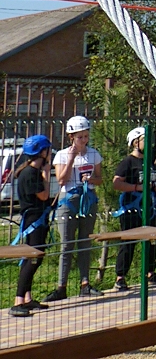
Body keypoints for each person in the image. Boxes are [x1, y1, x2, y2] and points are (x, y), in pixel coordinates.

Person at [45, 115, 102, 301]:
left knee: (84, 242)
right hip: (68, 201)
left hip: (88, 199)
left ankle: (85, 283)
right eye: (80, 137)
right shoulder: (61, 155)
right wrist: (71, 158)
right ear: (71, 137)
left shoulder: (93, 154)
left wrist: (91, 180)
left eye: (86, 136)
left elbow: (100, 179)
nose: (84, 140)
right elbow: (61, 179)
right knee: (67, 245)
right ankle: (62, 286)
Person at [111, 127, 156, 291]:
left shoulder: (148, 161)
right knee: (128, 243)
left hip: (149, 208)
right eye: (145, 140)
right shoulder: (127, 162)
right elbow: (116, 183)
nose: (149, 144)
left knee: (152, 240)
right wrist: (137, 187)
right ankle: (120, 277)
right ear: (135, 142)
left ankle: (150, 271)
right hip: (132, 208)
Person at [10, 135, 53, 317]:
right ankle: (18, 300)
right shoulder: (32, 174)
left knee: (35, 257)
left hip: (36, 219)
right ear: (43, 153)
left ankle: (27, 297)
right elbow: (43, 196)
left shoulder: (28, 172)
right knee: (33, 257)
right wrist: (46, 175)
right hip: (34, 219)